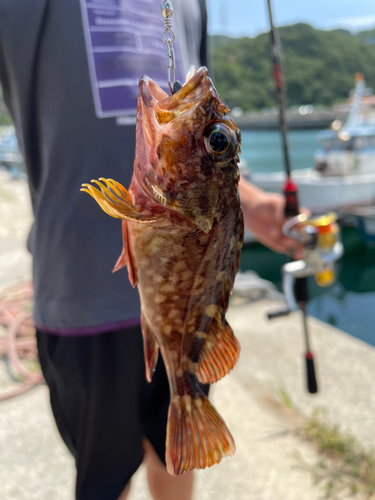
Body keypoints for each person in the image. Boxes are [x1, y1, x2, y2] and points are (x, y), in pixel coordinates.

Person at [0, 1, 303, 499]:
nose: (201, 93)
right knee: (105, 478)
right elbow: (191, 160)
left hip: (184, 313)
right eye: (220, 137)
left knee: (177, 461)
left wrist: (248, 200)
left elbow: (201, 175)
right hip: (78, 299)